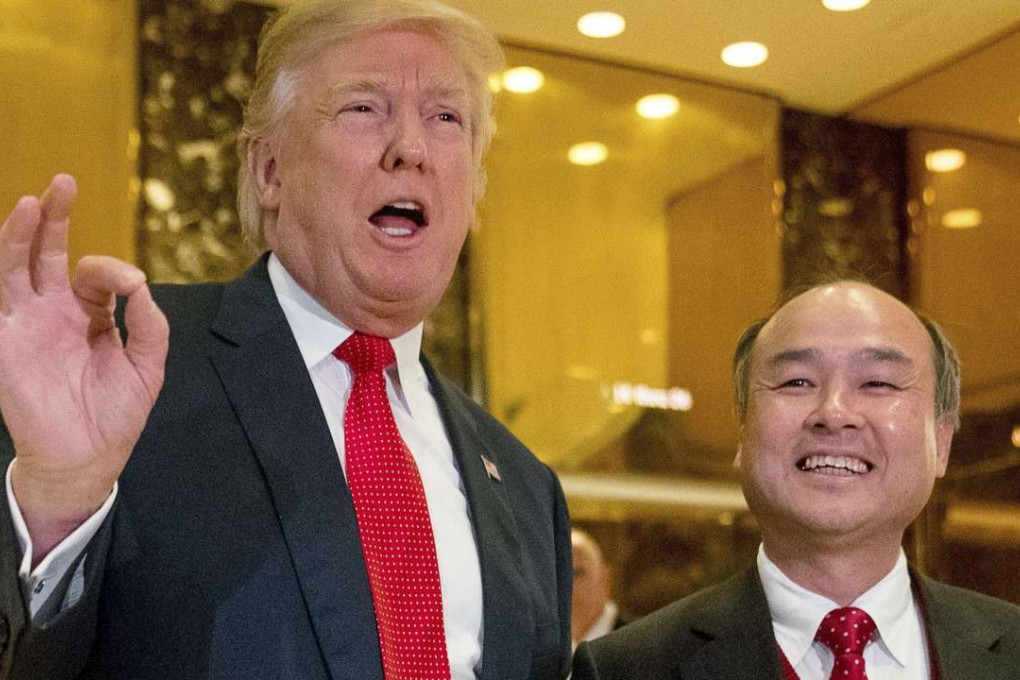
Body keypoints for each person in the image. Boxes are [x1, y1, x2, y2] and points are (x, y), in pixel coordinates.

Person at [0, 1, 572, 678]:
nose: (411, 149)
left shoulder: (528, 489)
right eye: (364, 108)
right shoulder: (117, 372)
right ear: (269, 170)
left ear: (473, 195)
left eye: (446, 118)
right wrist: (57, 506)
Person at [573, 280, 1020, 679]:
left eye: (878, 383)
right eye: (797, 382)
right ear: (743, 432)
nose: (833, 413)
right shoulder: (626, 668)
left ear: (940, 442)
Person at [571, 528, 628, 650]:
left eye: (577, 573)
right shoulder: (537, 648)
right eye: (556, 575)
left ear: (605, 579)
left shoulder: (641, 641)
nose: (567, 585)